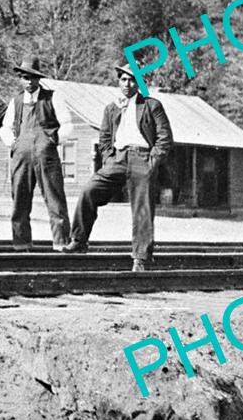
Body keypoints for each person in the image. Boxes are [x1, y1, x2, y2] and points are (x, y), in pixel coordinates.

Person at [65, 63, 173, 271]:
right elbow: (104, 138)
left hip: (142, 157)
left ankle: (141, 258)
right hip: (118, 158)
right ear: (118, 81)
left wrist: (151, 163)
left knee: (142, 208)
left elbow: (165, 138)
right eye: (123, 79)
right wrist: (108, 159)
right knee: (89, 191)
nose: (127, 83)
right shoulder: (111, 108)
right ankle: (78, 241)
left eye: (132, 79)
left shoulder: (152, 105)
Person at [0, 56, 74, 251]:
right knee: (19, 201)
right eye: (25, 78)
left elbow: (67, 125)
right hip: (21, 157)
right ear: (20, 79)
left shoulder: (52, 97)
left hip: (46, 156)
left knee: (55, 200)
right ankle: (21, 244)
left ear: (38, 79)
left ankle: (61, 243)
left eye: (32, 78)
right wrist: (13, 144)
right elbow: (5, 128)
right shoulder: (15, 102)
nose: (29, 82)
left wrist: (53, 141)